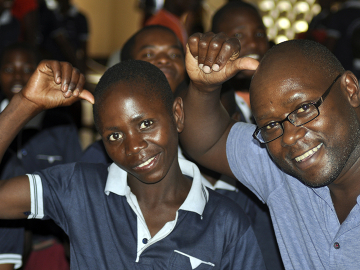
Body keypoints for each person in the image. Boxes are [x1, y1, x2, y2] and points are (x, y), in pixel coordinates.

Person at [0, 59, 266, 269]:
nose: (134, 146)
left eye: (146, 124)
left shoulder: (226, 223)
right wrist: (25, 104)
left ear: (177, 115)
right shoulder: (79, 189)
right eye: (115, 135)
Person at [180, 31, 360, 269]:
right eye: (271, 125)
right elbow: (208, 142)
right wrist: (203, 89)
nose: (290, 136)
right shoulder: (284, 173)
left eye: (304, 108)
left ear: (350, 90)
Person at [0, 42, 83, 270]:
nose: (17, 75)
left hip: (47, 246)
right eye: (8, 69)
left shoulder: (60, 126)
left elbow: (76, 188)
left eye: (27, 69)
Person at [81, 25, 187, 163]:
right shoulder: (99, 157)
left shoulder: (202, 131)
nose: (164, 60)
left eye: (174, 54)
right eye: (149, 54)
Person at [211, 1, 269, 123]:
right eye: (239, 35)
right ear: (216, 44)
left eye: (259, 34)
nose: (253, 43)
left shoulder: (279, 93)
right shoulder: (213, 103)